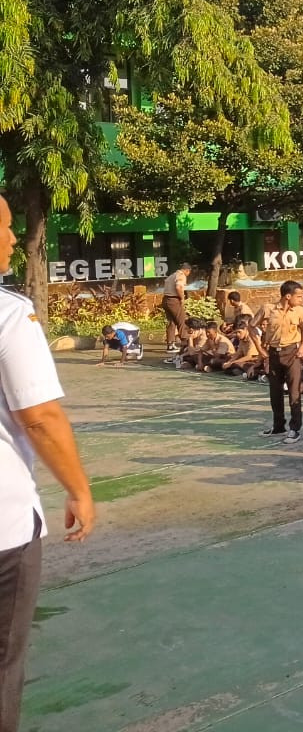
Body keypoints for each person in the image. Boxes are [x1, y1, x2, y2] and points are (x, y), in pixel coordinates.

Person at [0, 194, 95, 732]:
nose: (14, 238)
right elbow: (39, 416)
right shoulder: (9, 315)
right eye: (7, 227)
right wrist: (79, 489)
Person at [249, 280, 303, 443]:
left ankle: (295, 428)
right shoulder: (268, 309)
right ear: (287, 296)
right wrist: (260, 350)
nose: (301, 299)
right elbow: (251, 326)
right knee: (275, 392)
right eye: (298, 296)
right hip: (273, 354)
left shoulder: (299, 311)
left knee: (294, 392)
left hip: (292, 353)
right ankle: (278, 426)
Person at [161, 262, 192, 353]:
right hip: (174, 300)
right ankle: (185, 343)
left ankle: (170, 345)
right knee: (182, 321)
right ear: (187, 270)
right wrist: (182, 298)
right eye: (189, 272)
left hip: (166, 300)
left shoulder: (172, 275)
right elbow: (178, 287)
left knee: (171, 322)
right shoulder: (181, 275)